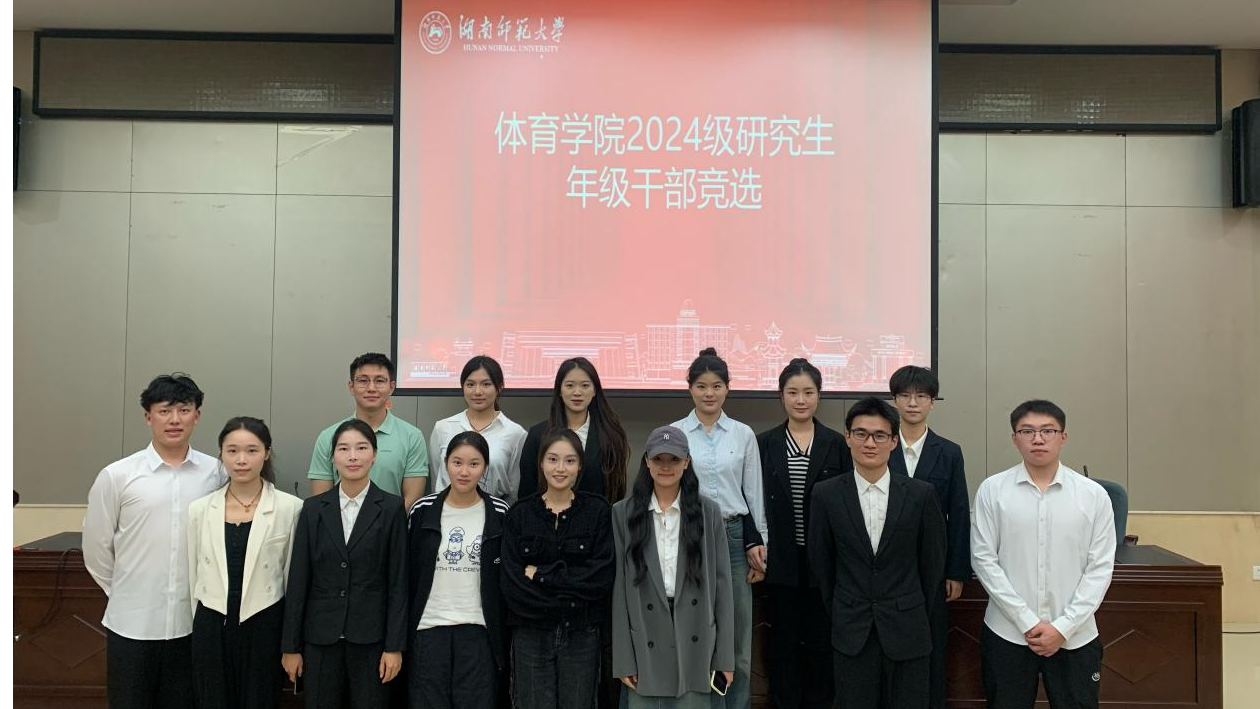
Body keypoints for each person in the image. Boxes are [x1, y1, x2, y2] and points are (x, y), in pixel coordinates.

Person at [83, 373, 226, 709]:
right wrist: (126, 590)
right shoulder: (118, 475)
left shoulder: (217, 473)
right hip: (131, 622)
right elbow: (96, 547)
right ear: (148, 417)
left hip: (191, 623)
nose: (174, 419)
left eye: (184, 410)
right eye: (164, 411)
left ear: (197, 416)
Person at [972, 400, 1116, 709]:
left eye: (1047, 431)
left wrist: (1063, 627)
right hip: (1008, 632)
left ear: (1063, 437)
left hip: (1075, 635)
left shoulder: (1093, 496)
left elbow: (1100, 568)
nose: (1038, 439)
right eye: (1027, 431)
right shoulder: (992, 491)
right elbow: (984, 560)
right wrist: (1025, 620)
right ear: (1015, 438)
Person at [808, 397, 946, 709]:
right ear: (847, 437)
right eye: (860, 434)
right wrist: (845, 607)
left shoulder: (921, 495)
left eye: (879, 435)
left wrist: (908, 607)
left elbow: (932, 564)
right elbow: (821, 563)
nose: (869, 443)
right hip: (851, 630)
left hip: (908, 629)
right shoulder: (826, 494)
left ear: (894, 441)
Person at [282, 419, 408, 709]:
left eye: (361, 448)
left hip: (372, 639)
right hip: (320, 637)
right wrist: (291, 647)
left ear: (374, 455)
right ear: (333, 457)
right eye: (344, 449)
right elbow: (299, 580)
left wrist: (394, 646)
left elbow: (398, 582)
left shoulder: (391, 508)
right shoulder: (313, 508)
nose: (353, 456)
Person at [612, 426, 734, 709]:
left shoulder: (708, 512)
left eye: (674, 459)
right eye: (658, 459)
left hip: (696, 630)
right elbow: (619, 589)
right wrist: (624, 660)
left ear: (687, 462)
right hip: (645, 632)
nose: (665, 466)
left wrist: (724, 658)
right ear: (646, 461)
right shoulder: (623, 513)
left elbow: (723, 586)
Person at [670, 348, 766, 709]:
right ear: (689, 389)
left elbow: (754, 495)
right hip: (688, 538)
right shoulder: (675, 433)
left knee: (737, 637)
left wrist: (760, 547)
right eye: (701, 386)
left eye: (716, 386)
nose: (709, 393)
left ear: (728, 388)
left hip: (734, 537)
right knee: (694, 632)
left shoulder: (743, 434)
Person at [188, 417, 303, 709]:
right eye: (232, 451)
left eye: (252, 450)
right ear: (221, 454)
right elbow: (192, 576)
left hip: (265, 623)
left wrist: (291, 643)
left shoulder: (290, 508)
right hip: (212, 624)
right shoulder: (200, 509)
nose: (242, 460)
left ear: (266, 453)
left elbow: (293, 581)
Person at [756, 359, 850, 709]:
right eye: (792, 392)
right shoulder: (764, 444)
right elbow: (752, 498)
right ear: (781, 395)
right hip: (780, 560)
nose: (800, 400)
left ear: (819, 395)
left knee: (822, 644)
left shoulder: (836, 444)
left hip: (824, 562)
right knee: (782, 644)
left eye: (808, 392)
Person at [503, 429, 615, 709]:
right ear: (541, 463)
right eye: (552, 459)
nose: (560, 468)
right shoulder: (519, 513)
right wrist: (567, 593)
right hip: (531, 632)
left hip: (581, 633)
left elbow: (600, 577)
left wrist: (542, 576)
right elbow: (512, 583)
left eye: (569, 461)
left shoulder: (598, 511)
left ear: (580, 466)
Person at [406, 431, 510, 709]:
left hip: (479, 630)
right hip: (428, 628)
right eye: (457, 462)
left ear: (485, 467)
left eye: (474, 464)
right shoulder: (422, 509)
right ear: (445, 464)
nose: (464, 472)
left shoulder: (500, 512)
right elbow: (407, 574)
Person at [887, 365, 970, 709]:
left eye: (921, 396)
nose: (912, 403)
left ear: (932, 402)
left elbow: (959, 513)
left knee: (931, 645)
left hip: (933, 567)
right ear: (894, 400)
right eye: (905, 396)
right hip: (887, 565)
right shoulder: (879, 446)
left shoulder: (948, 452)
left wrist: (956, 571)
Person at [308, 352, 429, 510]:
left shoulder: (412, 436)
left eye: (379, 381)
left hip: (392, 524)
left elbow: (412, 498)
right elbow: (321, 500)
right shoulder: (328, 436)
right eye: (363, 381)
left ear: (391, 387)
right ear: (351, 387)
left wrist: (386, 522)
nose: (371, 388)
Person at [518, 357, 630, 504]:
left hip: (597, 516)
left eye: (585, 385)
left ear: (595, 390)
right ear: (559, 390)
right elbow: (527, 491)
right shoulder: (538, 435)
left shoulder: (611, 435)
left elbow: (616, 491)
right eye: (570, 385)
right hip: (546, 516)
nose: (577, 392)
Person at [430, 355, 527, 503]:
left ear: (499, 387)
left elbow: (514, 488)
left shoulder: (515, 433)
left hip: (495, 512)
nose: (477, 392)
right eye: (470, 384)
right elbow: (437, 477)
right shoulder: (443, 427)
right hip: (446, 510)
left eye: (486, 384)